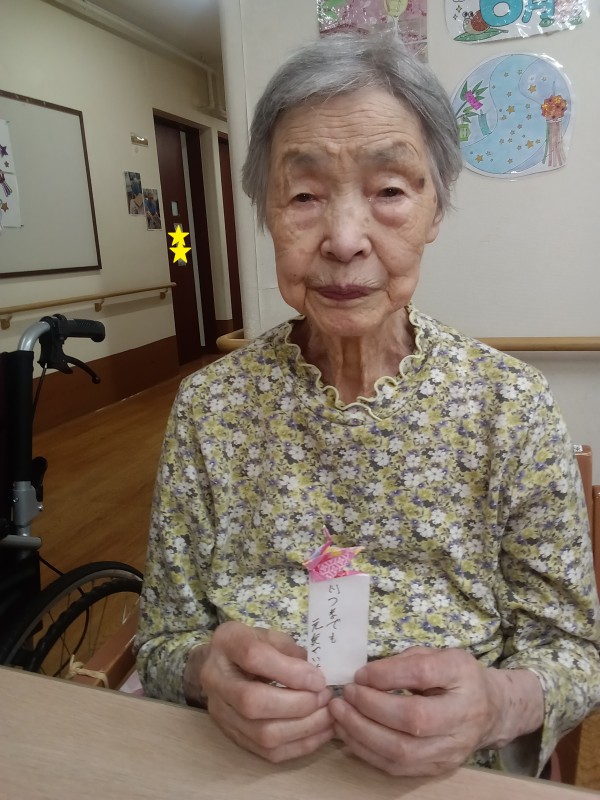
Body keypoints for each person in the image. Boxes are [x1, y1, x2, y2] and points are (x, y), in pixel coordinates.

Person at [135, 31, 600, 778]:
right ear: (267, 213)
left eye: (389, 191)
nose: (345, 239)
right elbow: (162, 641)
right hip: (241, 769)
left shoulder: (509, 405)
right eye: (305, 196)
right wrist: (202, 673)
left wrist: (495, 704)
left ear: (435, 209)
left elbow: (573, 654)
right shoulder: (210, 406)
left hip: (448, 776)